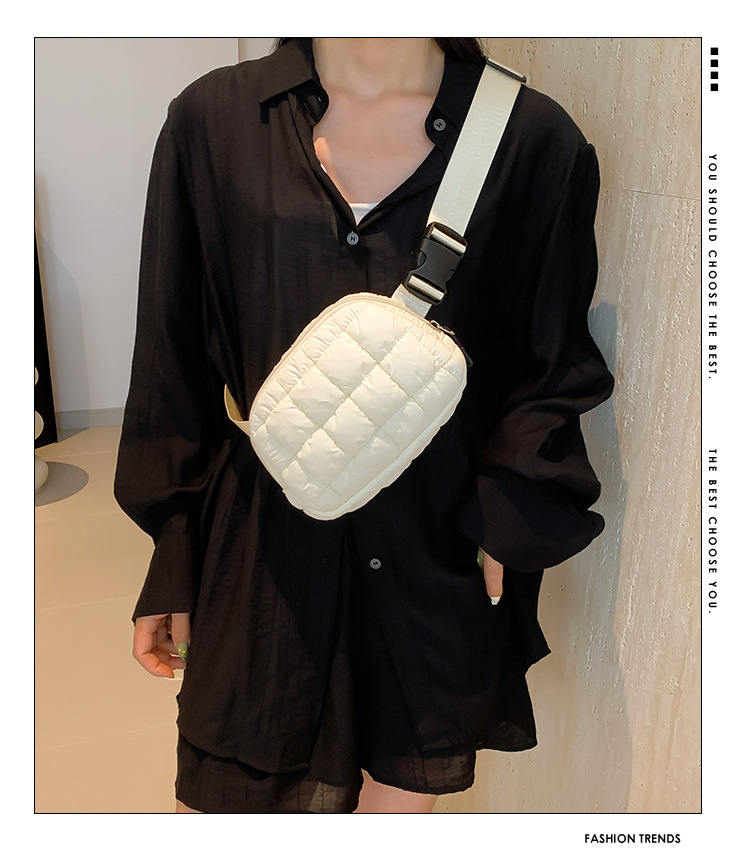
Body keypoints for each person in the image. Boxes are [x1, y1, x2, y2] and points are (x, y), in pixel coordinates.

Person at [114, 37, 615, 814]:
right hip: (261, 548)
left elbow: (552, 361)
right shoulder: (213, 121)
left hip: (431, 553)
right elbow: (170, 353)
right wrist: (174, 550)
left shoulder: (531, 139)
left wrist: (506, 515)